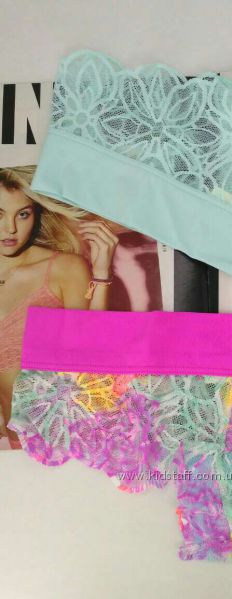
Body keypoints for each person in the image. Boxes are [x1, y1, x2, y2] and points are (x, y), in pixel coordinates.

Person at [0, 166, 119, 448]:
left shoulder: (63, 268)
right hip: (13, 445)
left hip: (63, 438)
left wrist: (101, 275)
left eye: (23, 214)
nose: (11, 229)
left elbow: (93, 352)